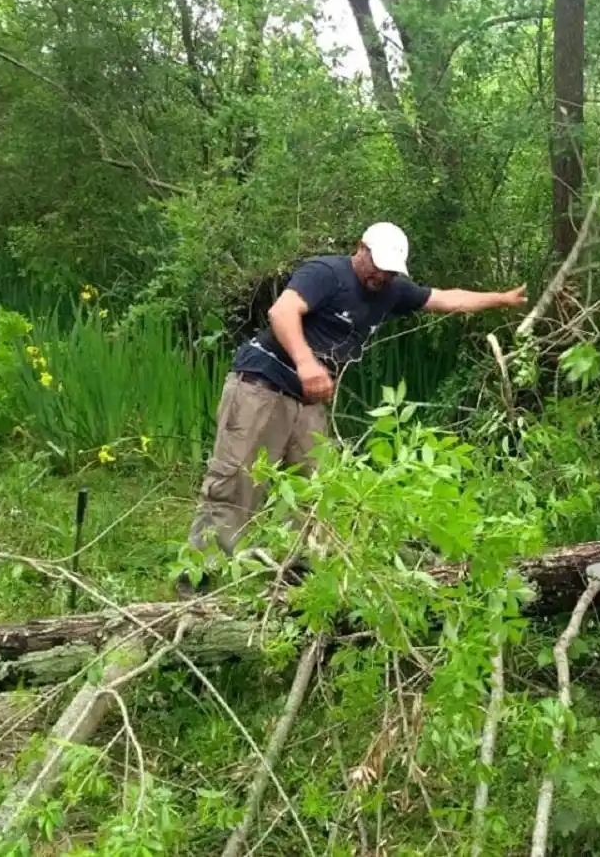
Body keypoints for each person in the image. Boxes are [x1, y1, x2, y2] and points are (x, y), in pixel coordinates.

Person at [179, 221, 528, 597]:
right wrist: (307, 363)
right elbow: (282, 312)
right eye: (378, 265)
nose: (382, 275)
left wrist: (501, 299)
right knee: (237, 482)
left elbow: (447, 299)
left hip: (308, 403)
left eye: (391, 270)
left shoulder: (391, 290)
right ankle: (199, 579)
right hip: (261, 388)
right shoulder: (327, 273)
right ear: (360, 248)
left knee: (318, 490)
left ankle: (304, 579)